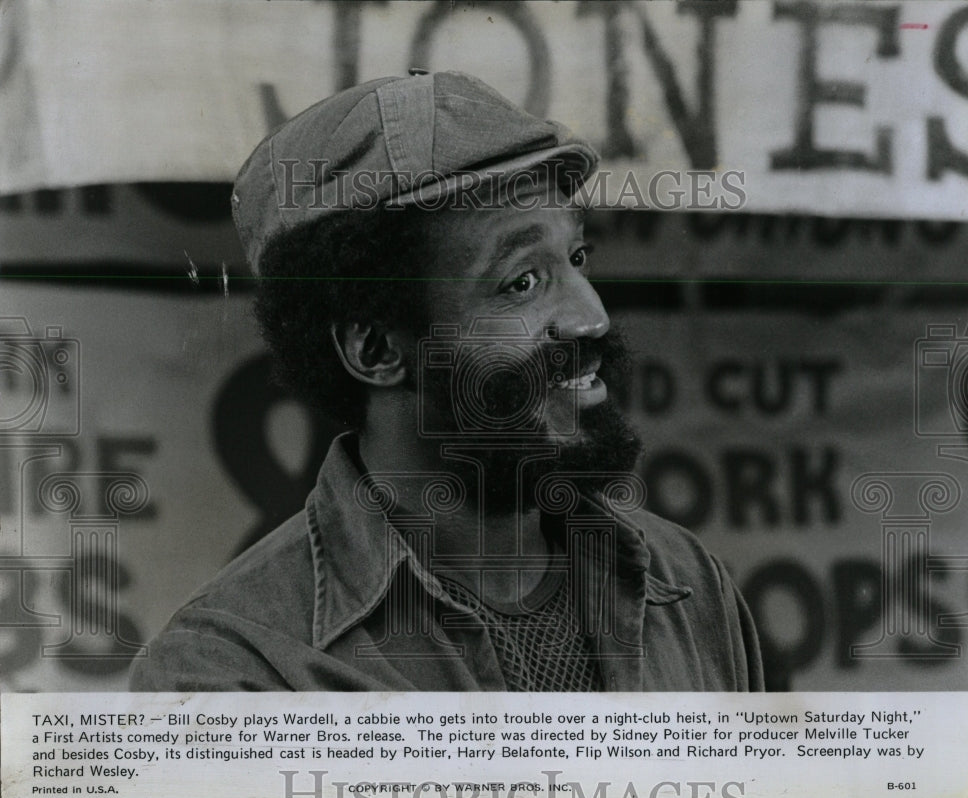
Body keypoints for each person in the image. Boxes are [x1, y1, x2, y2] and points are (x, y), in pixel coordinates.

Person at [130, 70, 763, 692]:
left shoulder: (688, 585)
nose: (590, 318)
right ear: (377, 349)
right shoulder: (235, 671)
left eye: (576, 259)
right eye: (521, 282)